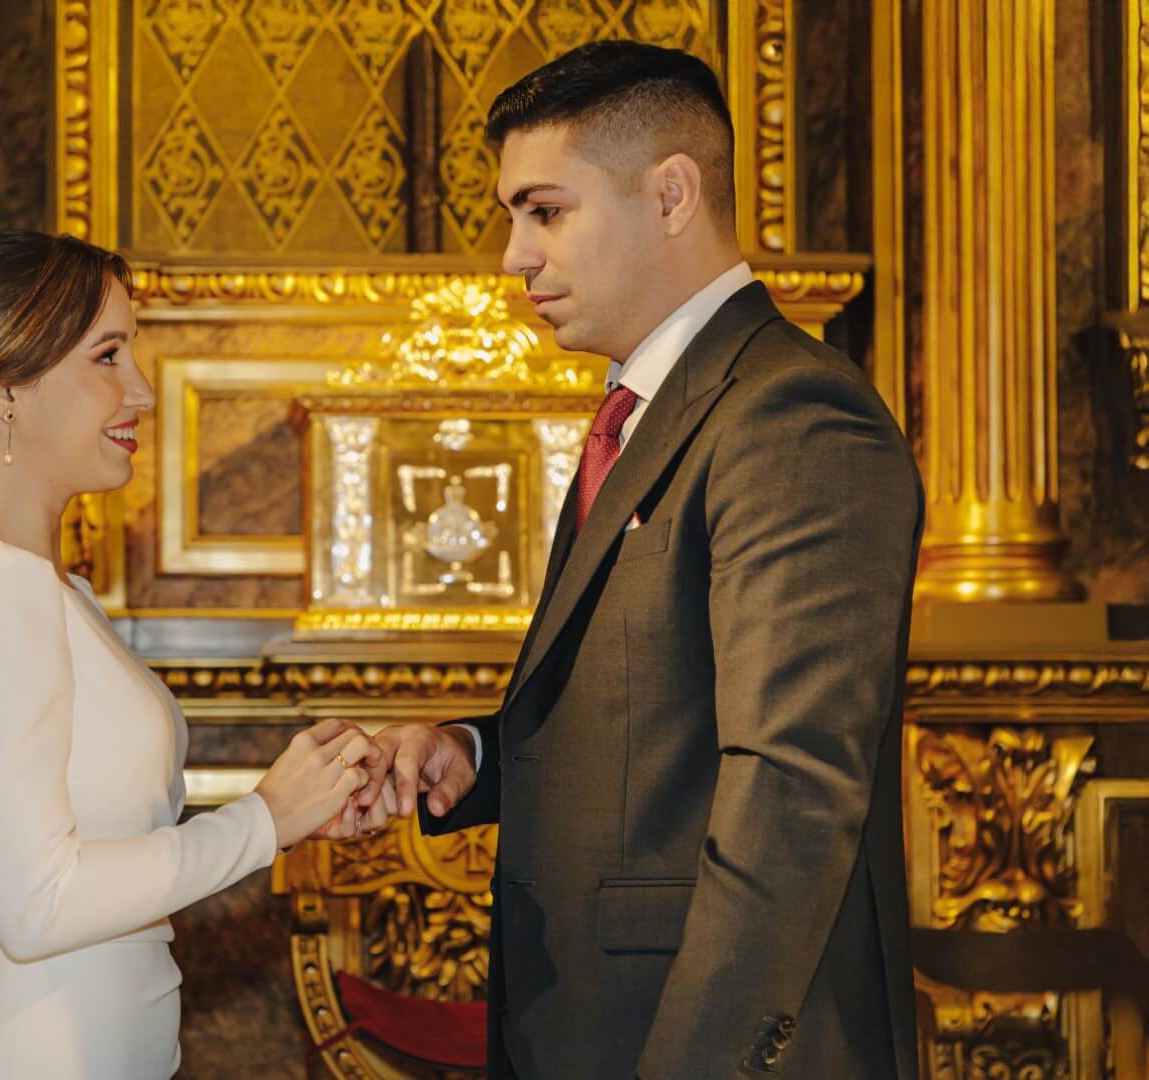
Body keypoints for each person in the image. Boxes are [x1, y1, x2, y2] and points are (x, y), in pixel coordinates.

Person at [356, 41, 924, 1079]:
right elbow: (651, 723)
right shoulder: (649, 409)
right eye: (512, 216)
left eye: (545, 211)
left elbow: (790, 788)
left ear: (670, 195)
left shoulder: (792, 413)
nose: (513, 256)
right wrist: (474, 755)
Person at [0, 229, 376, 1079]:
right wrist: (264, 820)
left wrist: (307, 798)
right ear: (2, 389)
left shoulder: (40, 586)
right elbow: (37, 904)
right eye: (107, 357)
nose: (142, 391)